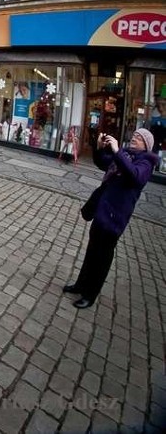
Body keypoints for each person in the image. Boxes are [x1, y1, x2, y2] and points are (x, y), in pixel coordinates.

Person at [64, 129, 158, 309]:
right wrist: (99, 147)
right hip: (102, 210)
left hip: (116, 215)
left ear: (146, 145)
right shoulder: (127, 155)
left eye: (139, 138)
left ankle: (90, 295)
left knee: (102, 257)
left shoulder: (146, 162)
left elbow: (134, 176)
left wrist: (117, 151)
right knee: (92, 251)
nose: (134, 138)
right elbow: (103, 163)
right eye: (134, 135)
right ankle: (80, 284)